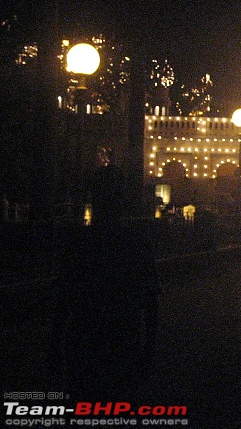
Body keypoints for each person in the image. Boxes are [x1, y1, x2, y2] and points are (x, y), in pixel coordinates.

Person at [48, 152, 160, 396]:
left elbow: (63, 299)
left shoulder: (78, 242)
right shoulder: (136, 243)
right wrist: (148, 351)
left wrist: (54, 348)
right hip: (122, 340)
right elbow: (151, 303)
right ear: (123, 200)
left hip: (83, 340)